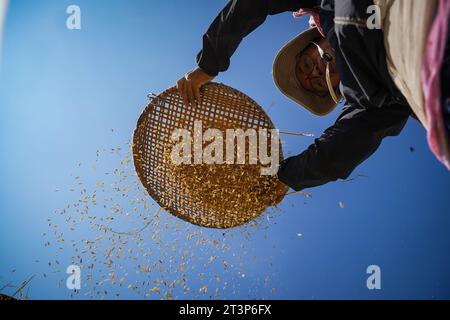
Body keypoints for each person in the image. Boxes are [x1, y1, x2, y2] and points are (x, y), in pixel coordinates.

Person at [175, 0, 430, 192]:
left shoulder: (330, 6)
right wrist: (286, 177)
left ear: (315, 39)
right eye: (319, 82)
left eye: (307, 65)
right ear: (338, 86)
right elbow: (341, 148)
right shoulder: (374, 100)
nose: (316, 71)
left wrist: (209, 63)